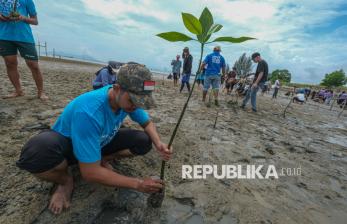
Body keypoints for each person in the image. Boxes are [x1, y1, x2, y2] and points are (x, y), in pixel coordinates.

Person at [16, 64, 173, 215]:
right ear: (117, 89)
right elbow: (89, 174)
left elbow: (146, 122)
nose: (136, 106)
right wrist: (138, 184)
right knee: (37, 151)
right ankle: (65, 181)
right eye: (133, 101)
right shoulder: (90, 112)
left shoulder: (125, 102)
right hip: (69, 146)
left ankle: (100, 158)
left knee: (144, 141)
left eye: (141, 103)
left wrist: (158, 143)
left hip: (100, 141)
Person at [0, 0, 48, 99]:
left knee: (33, 65)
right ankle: (18, 91)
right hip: (4, 36)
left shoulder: (27, 0)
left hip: (24, 37)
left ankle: (41, 92)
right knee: (10, 64)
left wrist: (22, 17)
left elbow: (35, 21)